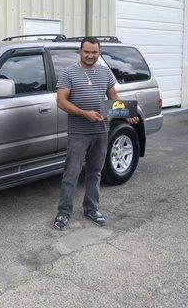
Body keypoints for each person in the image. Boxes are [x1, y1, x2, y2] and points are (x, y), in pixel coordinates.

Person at [53, 37, 139, 230]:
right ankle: (64, 212)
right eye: (87, 52)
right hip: (79, 132)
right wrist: (85, 114)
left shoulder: (104, 72)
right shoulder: (68, 73)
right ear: (79, 52)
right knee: (71, 173)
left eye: (94, 52)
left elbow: (113, 97)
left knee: (95, 172)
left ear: (99, 53)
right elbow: (61, 101)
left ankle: (91, 208)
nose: (90, 56)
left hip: (101, 130)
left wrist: (126, 113)